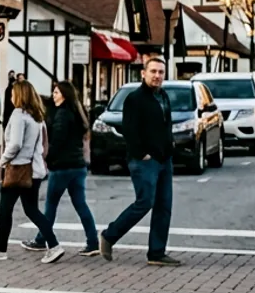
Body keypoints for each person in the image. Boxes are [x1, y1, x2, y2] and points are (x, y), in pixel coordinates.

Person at [101, 57, 180, 266]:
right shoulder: (135, 98)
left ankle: (156, 252)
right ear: (143, 73)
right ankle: (109, 235)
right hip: (145, 161)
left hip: (164, 159)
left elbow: (165, 125)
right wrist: (141, 153)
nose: (157, 76)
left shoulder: (163, 96)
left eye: (161, 72)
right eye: (153, 71)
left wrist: (170, 146)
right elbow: (129, 129)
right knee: (145, 202)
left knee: (164, 206)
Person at [0, 80, 59, 263]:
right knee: (32, 210)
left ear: (19, 95)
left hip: (18, 169)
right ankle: (54, 245)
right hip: (34, 170)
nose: (10, 96)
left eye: (13, 93)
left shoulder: (18, 115)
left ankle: (0, 249)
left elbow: (15, 143)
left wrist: (2, 161)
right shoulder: (37, 116)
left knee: (5, 209)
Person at [23, 80, 99, 257]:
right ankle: (93, 241)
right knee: (80, 204)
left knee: (51, 204)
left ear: (64, 95)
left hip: (62, 167)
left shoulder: (63, 115)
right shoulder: (76, 112)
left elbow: (57, 142)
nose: (53, 95)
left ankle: (42, 239)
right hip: (77, 166)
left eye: (56, 92)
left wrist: (46, 159)